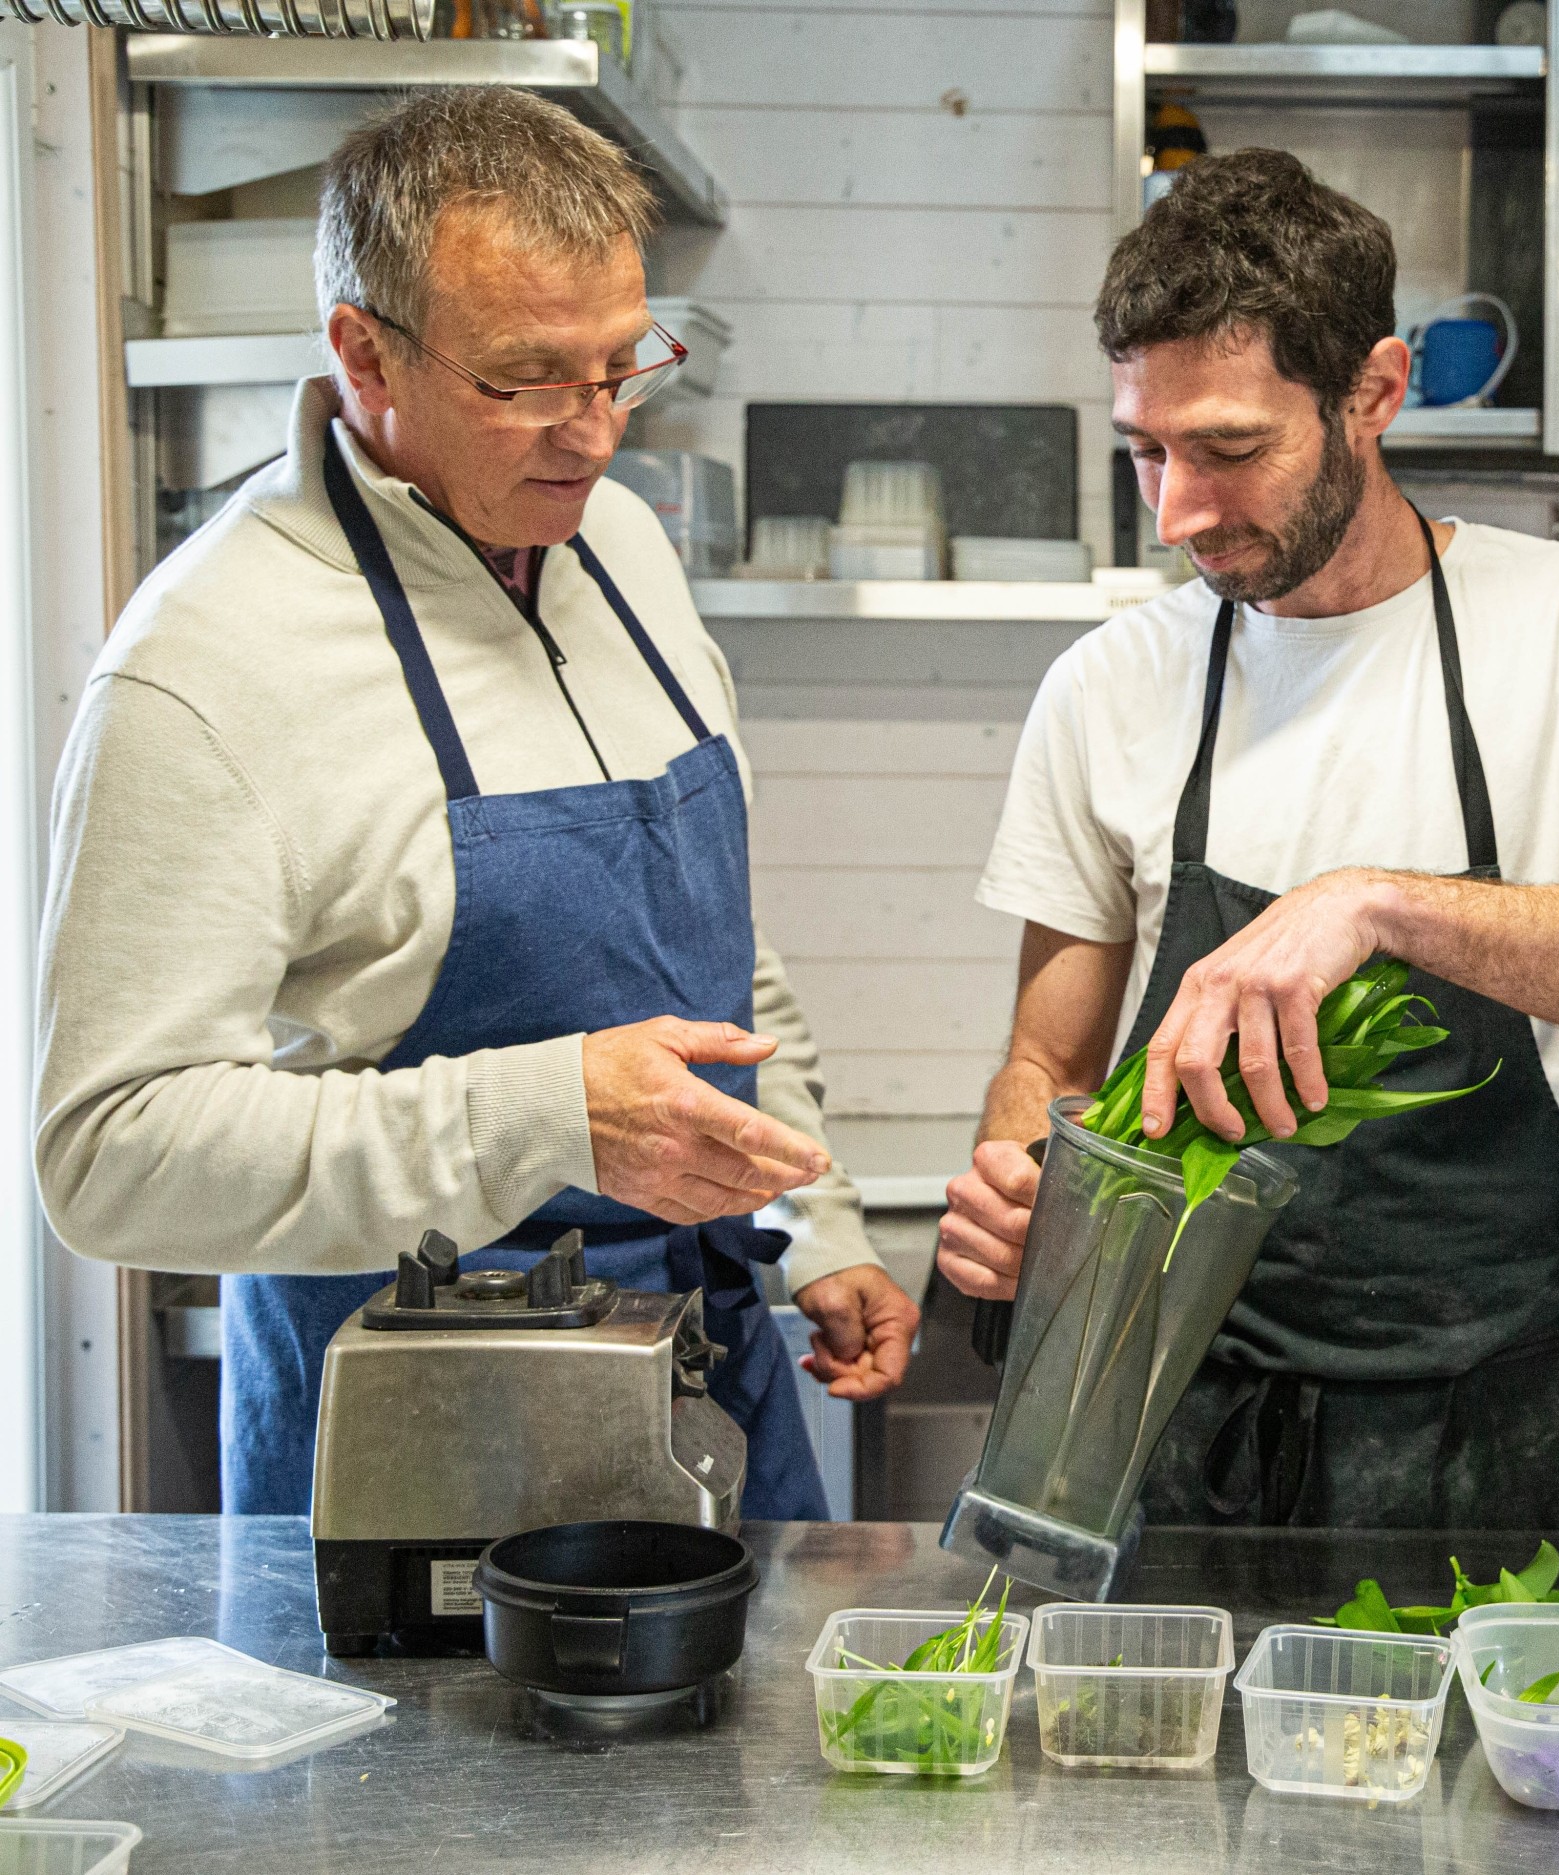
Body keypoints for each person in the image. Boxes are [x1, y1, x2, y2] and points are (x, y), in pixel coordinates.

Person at [34, 89, 919, 1520]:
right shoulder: (207, 665)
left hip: (704, 1376)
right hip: (411, 1445)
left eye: (622, 365)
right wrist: (542, 1114)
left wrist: (807, 1223)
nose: (593, 433)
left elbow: (707, 952)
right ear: (362, 352)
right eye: (525, 380)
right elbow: (107, 1156)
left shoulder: (619, 548)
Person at [939, 150, 1559, 1531]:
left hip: (1491, 1428)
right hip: (1177, 1422)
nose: (1177, 513)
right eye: (1148, 451)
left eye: (1229, 449)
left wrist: (1375, 906)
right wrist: (1030, 1205)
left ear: (1374, 393)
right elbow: (1050, 1060)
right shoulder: (1109, 687)